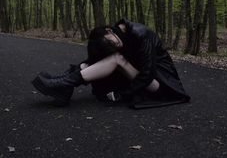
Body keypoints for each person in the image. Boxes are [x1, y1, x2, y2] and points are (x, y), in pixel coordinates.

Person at [32, 18, 190, 108]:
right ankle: (64, 86)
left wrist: (123, 94)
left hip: (160, 85)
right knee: (97, 61)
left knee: (116, 59)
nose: (115, 46)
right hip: (141, 78)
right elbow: (97, 60)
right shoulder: (120, 34)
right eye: (109, 47)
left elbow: (147, 75)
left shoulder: (141, 34)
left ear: (109, 31)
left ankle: (63, 84)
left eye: (111, 43)